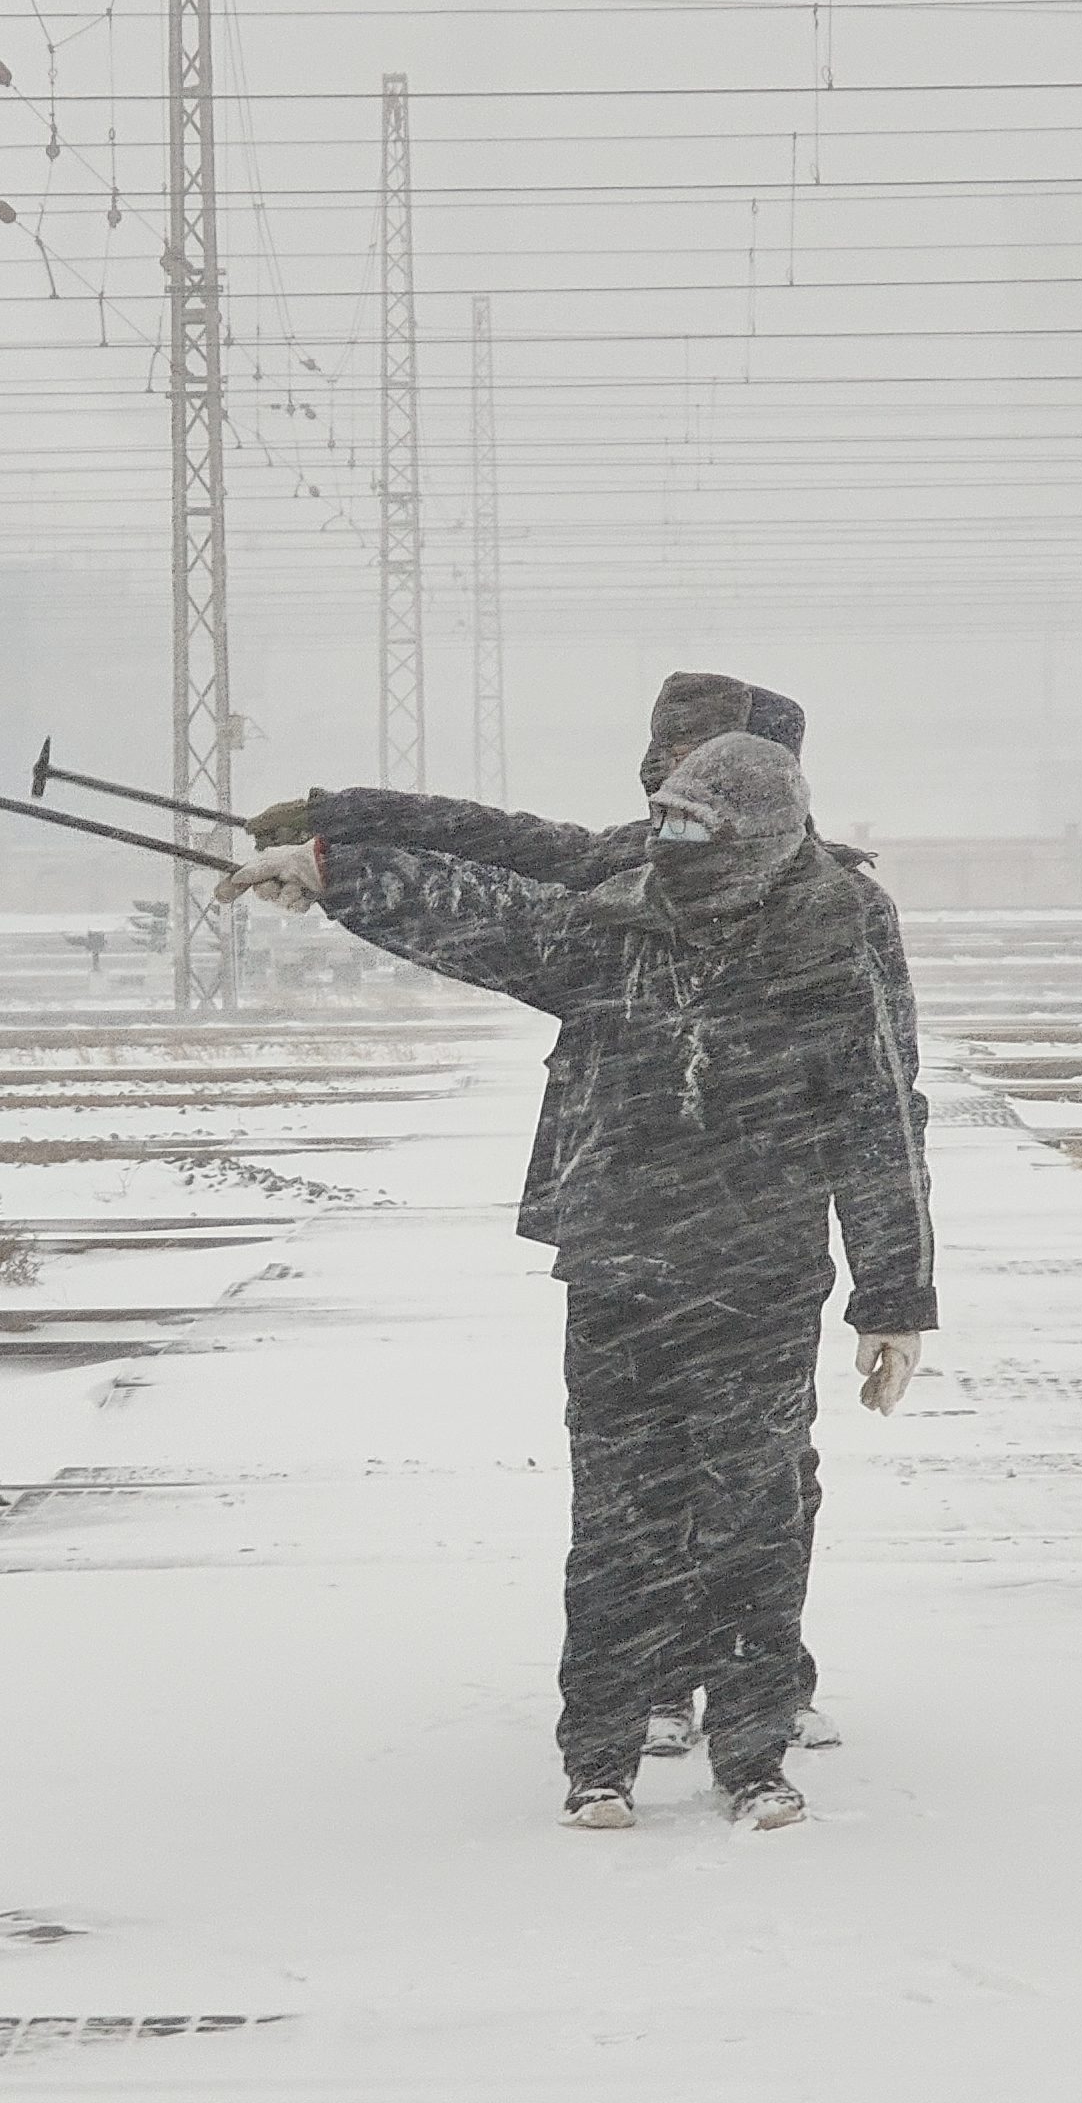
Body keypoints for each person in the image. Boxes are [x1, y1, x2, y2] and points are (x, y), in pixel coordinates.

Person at [215, 672, 937, 1833]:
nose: (665, 806)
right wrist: (338, 858)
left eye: (688, 776)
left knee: (752, 1503)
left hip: (756, 1269)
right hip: (623, 1259)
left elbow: (878, 1117)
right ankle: (606, 1741)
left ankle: (754, 1742)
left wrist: (893, 1295)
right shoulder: (630, 907)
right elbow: (488, 903)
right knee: (620, 1511)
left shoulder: (832, 933)